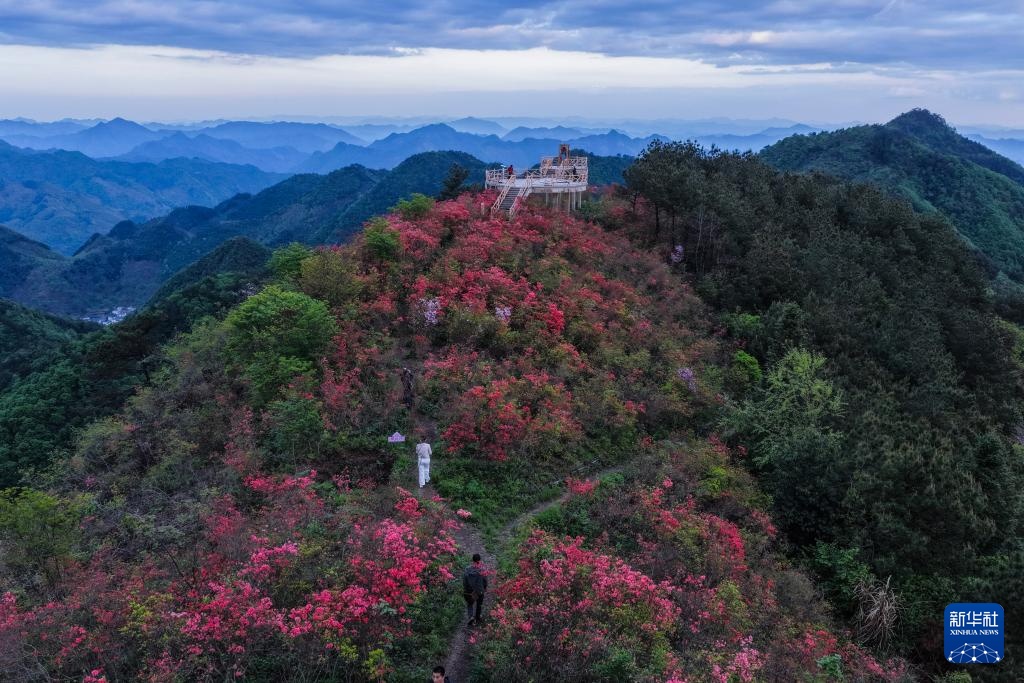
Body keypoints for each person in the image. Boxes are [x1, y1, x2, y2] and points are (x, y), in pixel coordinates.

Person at [462, 553, 487, 626]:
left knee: (470, 604)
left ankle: (471, 617)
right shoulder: (482, 569)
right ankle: (477, 617)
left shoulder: (467, 569)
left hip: (470, 591)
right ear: (480, 560)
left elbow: (465, 580)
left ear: (472, 560)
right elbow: (485, 580)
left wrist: (466, 589)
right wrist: (484, 588)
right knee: (479, 604)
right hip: (479, 590)